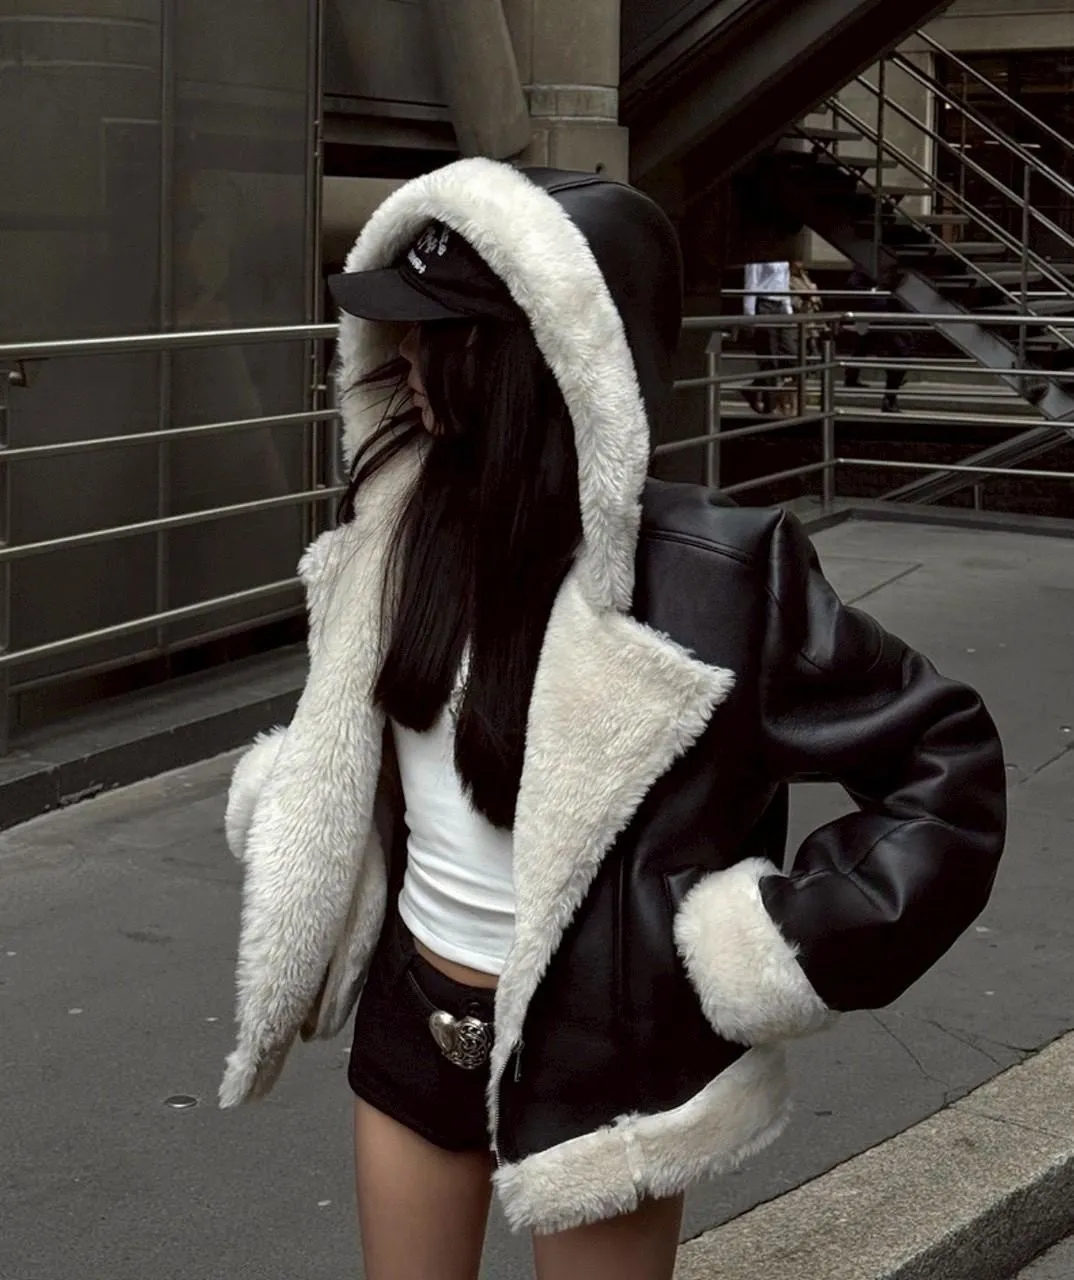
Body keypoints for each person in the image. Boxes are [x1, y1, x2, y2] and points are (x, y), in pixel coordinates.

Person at [219, 161, 1007, 1280]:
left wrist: (776, 941)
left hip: (606, 1059)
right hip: (414, 1020)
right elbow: (380, 753)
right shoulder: (396, 535)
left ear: (546, 362)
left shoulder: (714, 575)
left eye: (441, 337)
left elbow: (944, 762)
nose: (407, 363)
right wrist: (304, 803)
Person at [844, 265, 913, 412]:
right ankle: (889, 398)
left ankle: (889, 396)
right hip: (880, 324)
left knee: (894, 357)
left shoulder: (888, 287)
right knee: (895, 357)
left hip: (886, 324)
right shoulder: (867, 275)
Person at [743, 259, 795, 416]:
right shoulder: (757, 259)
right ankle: (769, 405)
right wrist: (750, 315)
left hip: (780, 304)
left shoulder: (783, 258)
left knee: (791, 354)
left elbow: (784, 281)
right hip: (764, 304)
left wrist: (788, 308)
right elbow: (751, 283)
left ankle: (753, 389)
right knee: (769, 356)